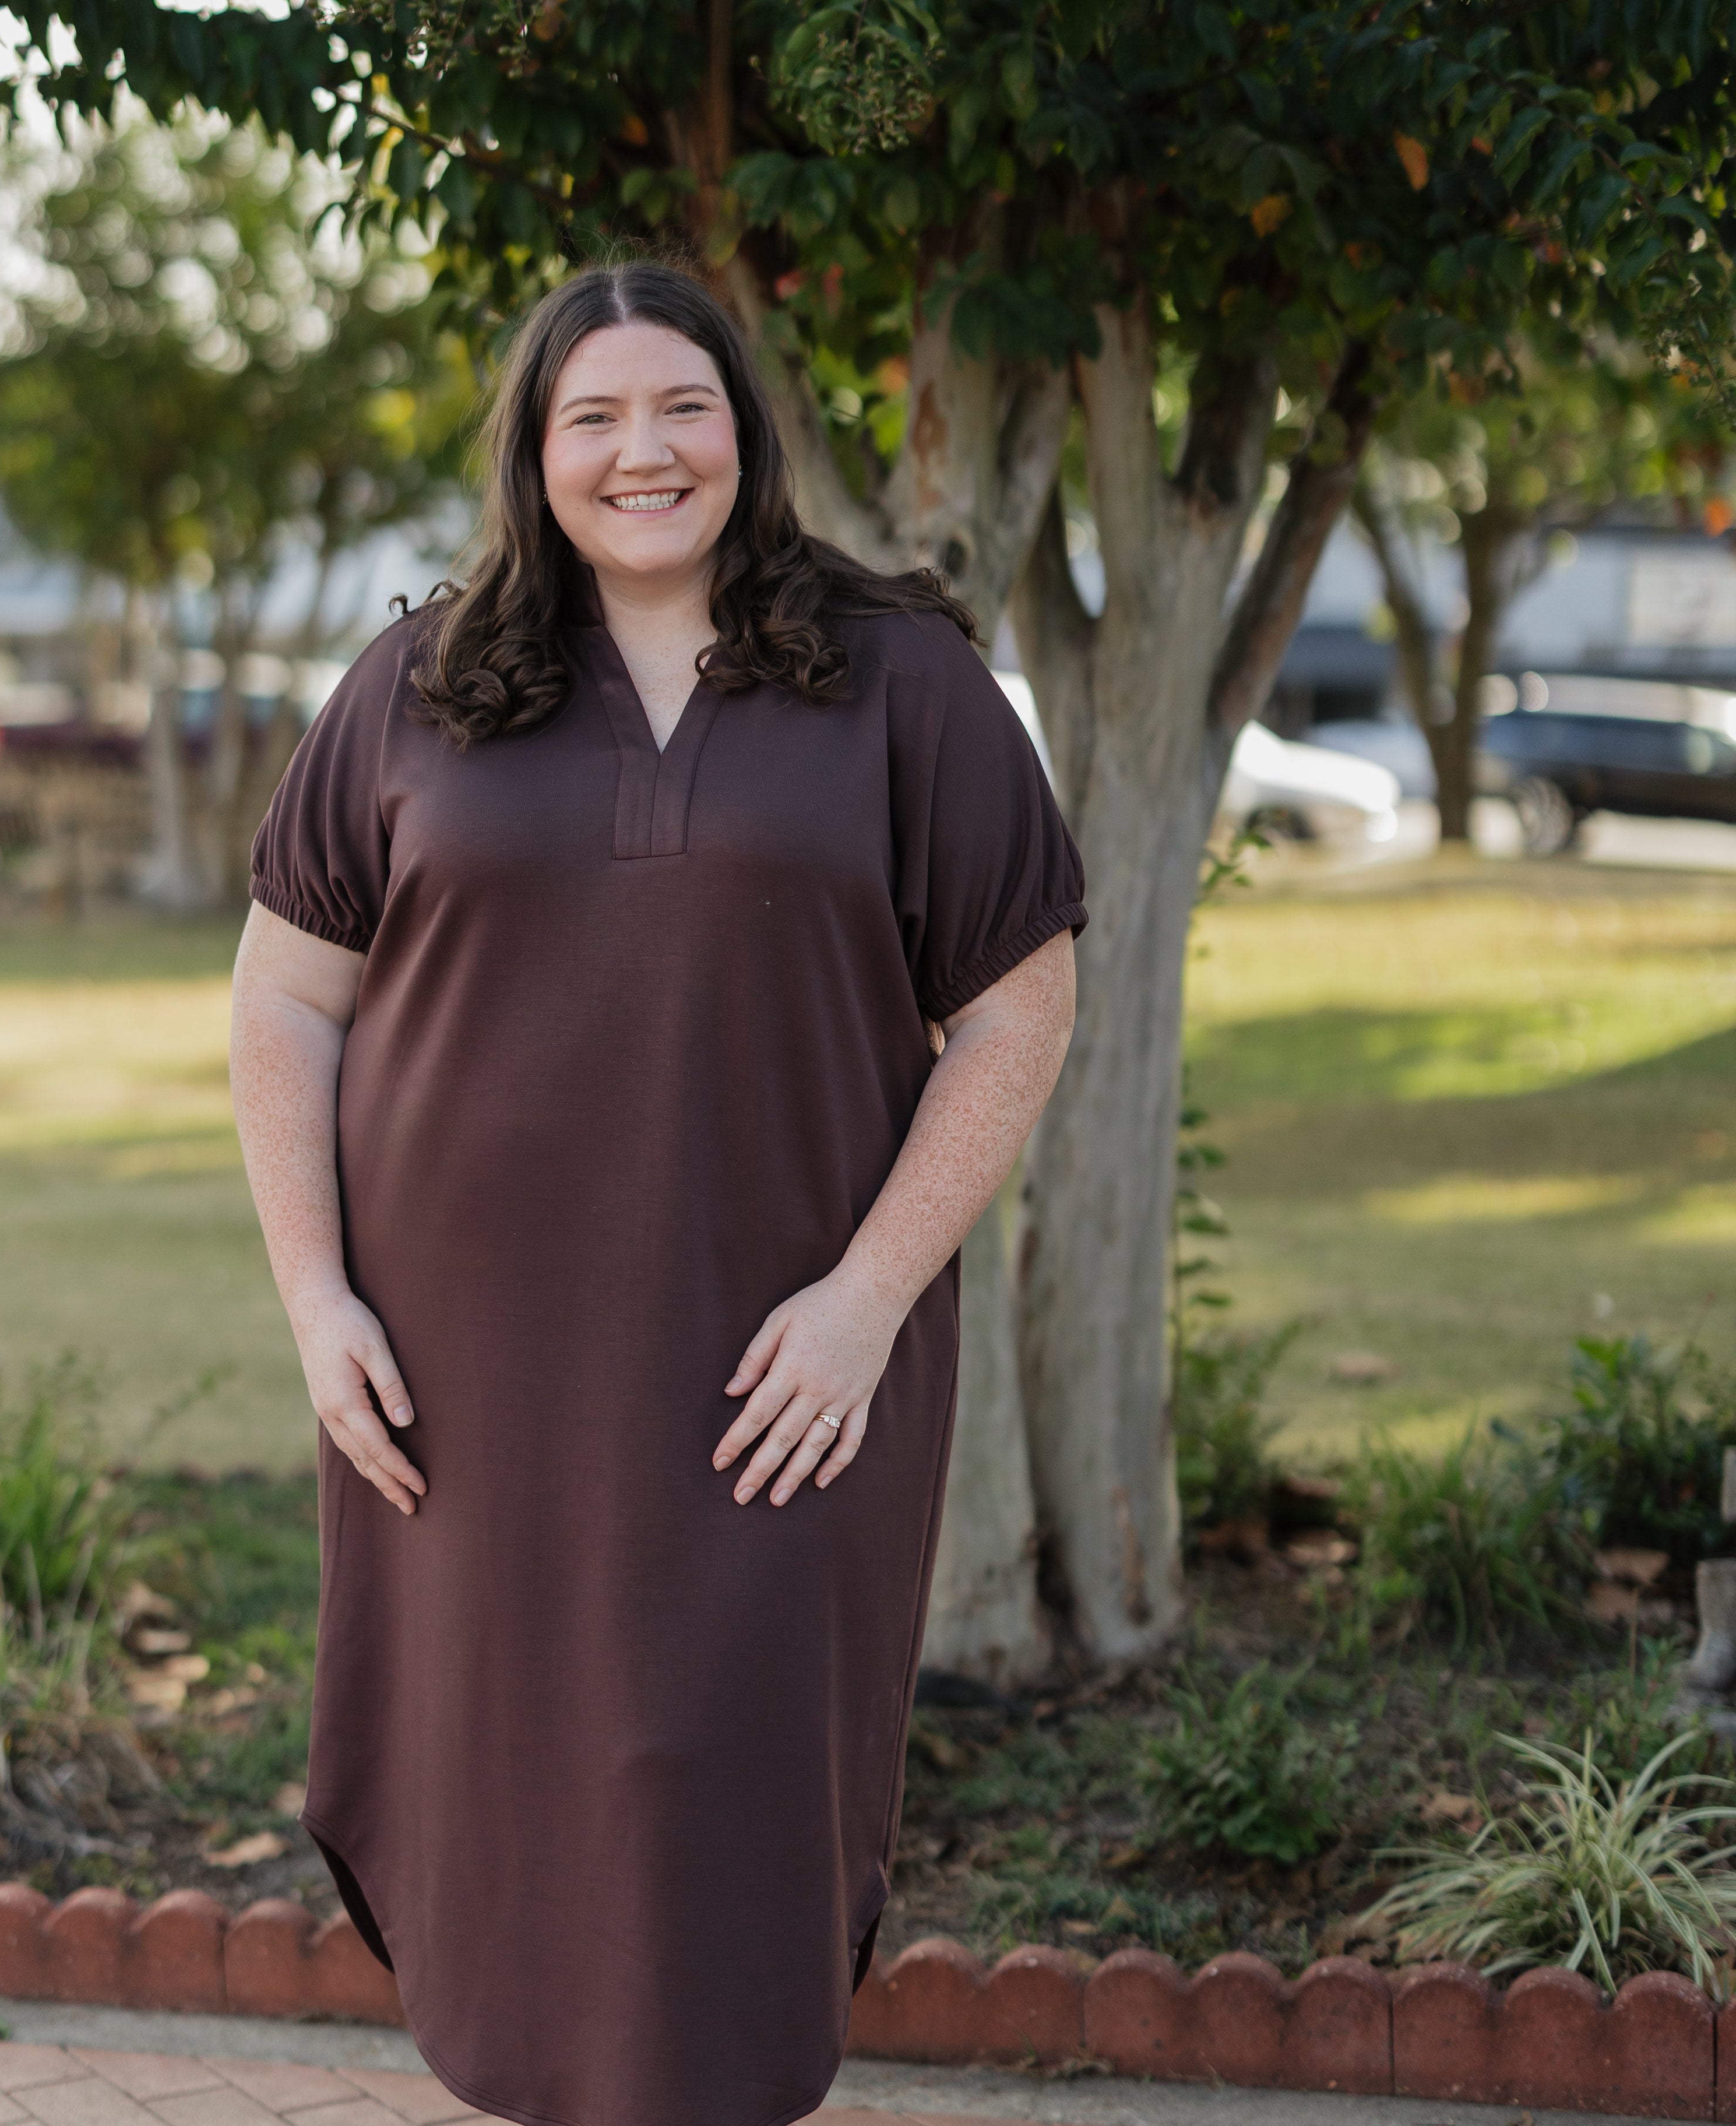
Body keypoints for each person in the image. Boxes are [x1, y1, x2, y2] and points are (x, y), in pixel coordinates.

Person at [227, 256, 1085, 2126]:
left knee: (726, 1810)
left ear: (746, 430)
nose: (643, 452)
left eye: (681, 406)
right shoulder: (419, 683)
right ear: (536, 456)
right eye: (593, 417)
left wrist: (868, 1299)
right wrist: (318, 1302)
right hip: (461, 1394)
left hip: (780, 1376)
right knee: (514, 1813)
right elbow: (286, 996)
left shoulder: (902, 680)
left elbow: (1020, 1003)